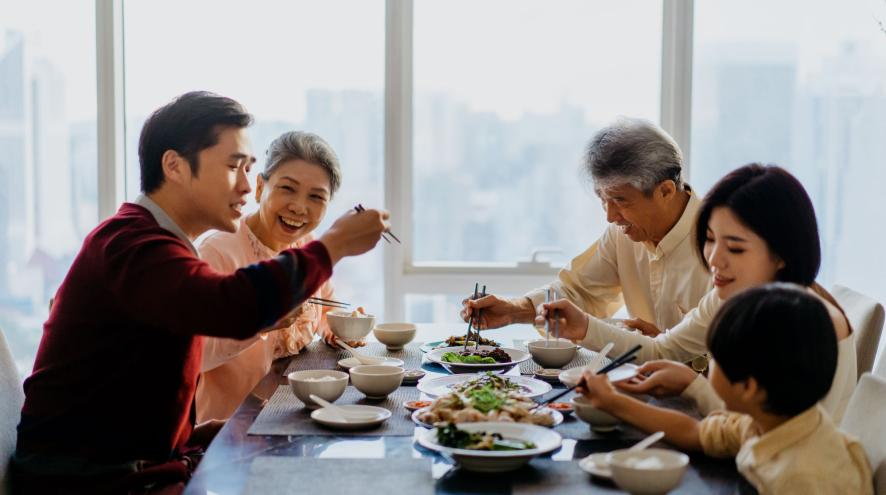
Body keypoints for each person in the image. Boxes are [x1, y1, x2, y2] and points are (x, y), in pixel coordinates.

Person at [11, 92, 390, 494]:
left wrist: (195, 437)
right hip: (95, 481)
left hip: (136, 465)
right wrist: (333, 245)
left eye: (249, 169)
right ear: (174, 166)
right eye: (233, 167)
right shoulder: (135, 246)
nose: (247, 186)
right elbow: (234, 306)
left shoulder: (151, 242)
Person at [539, 164, 857, 422]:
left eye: (735, 247)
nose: (714, 259)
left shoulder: (807, 322)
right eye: (709, 238)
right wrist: (583, 325)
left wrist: (693, 387)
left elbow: (757, 435)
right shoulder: (734, 298)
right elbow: (663, 351)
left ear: (782, 253)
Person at [575, 284, 873, 495]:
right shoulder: (770, 424)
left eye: (715, 358)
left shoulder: (802, 477)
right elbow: (695, 433)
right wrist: (612, 401)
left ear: (749, 387)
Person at [461, 117, 711, 338]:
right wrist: (513, 310)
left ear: (665, 190)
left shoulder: (721, 244)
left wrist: (669, 353)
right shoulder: (623, 234)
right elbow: (579, 291)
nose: (611, 217)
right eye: (603, 200)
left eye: (620, 201)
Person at [196, 131, 360, 423]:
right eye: (287, 188)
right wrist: (260, 320)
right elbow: (196, 355)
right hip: (227, 428)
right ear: (260, 187)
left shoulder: (307, 246)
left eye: (315, 196)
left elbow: (326, 311)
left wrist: (343, 327)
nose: (299, 207)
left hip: (298, 414)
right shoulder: (218, 251)